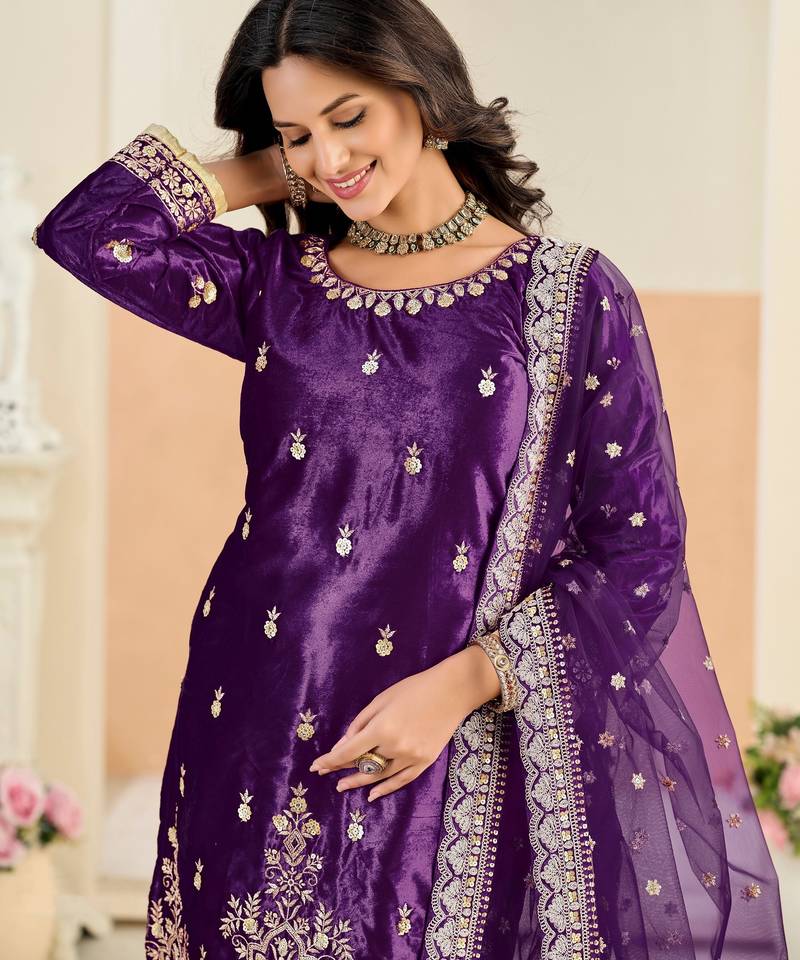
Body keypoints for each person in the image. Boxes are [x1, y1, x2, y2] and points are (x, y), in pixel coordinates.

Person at [33, 1, 788, 957]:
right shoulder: (276, 281)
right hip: (257, 714)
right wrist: (272, 168)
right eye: (296, 132)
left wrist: (469, 682)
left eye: (349, 116)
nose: (329, 156)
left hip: (456, 743)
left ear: (422, 91)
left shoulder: (566, 296)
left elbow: (641, 550)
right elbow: (91, 232)